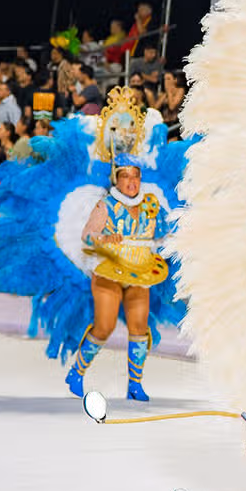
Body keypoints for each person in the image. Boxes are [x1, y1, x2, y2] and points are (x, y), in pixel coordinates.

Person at [64, 153, 173, 402]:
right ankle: (76, 373)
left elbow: (164, 232)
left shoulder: (151, 203)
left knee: (139, 327)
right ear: (116, 180)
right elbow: (87, 235)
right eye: (126, 176)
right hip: (109, 269)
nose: (132, 182)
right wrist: (104, 238)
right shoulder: (106, 205)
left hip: (140, 269)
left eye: (136, 176)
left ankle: (135, 385)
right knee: (104, 326)